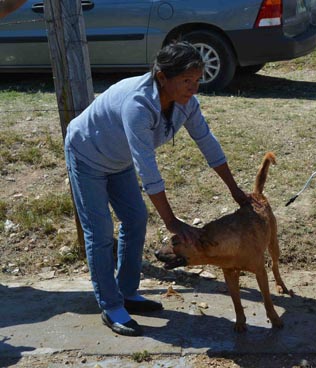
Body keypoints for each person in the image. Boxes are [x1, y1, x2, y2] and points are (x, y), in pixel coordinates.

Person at [65, 41, 250, 336]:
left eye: (198, 80)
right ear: (162, 77)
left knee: (136, 219)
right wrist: (172, 221)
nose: (194, 88)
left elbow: (207, 142)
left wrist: (235, 190)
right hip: (87, 154)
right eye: (187, 81)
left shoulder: (186, 103)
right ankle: (111, 306)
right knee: (99, 233)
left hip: (118, 158)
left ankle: (127, 293)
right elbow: (147, 169)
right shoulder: (137, 105)